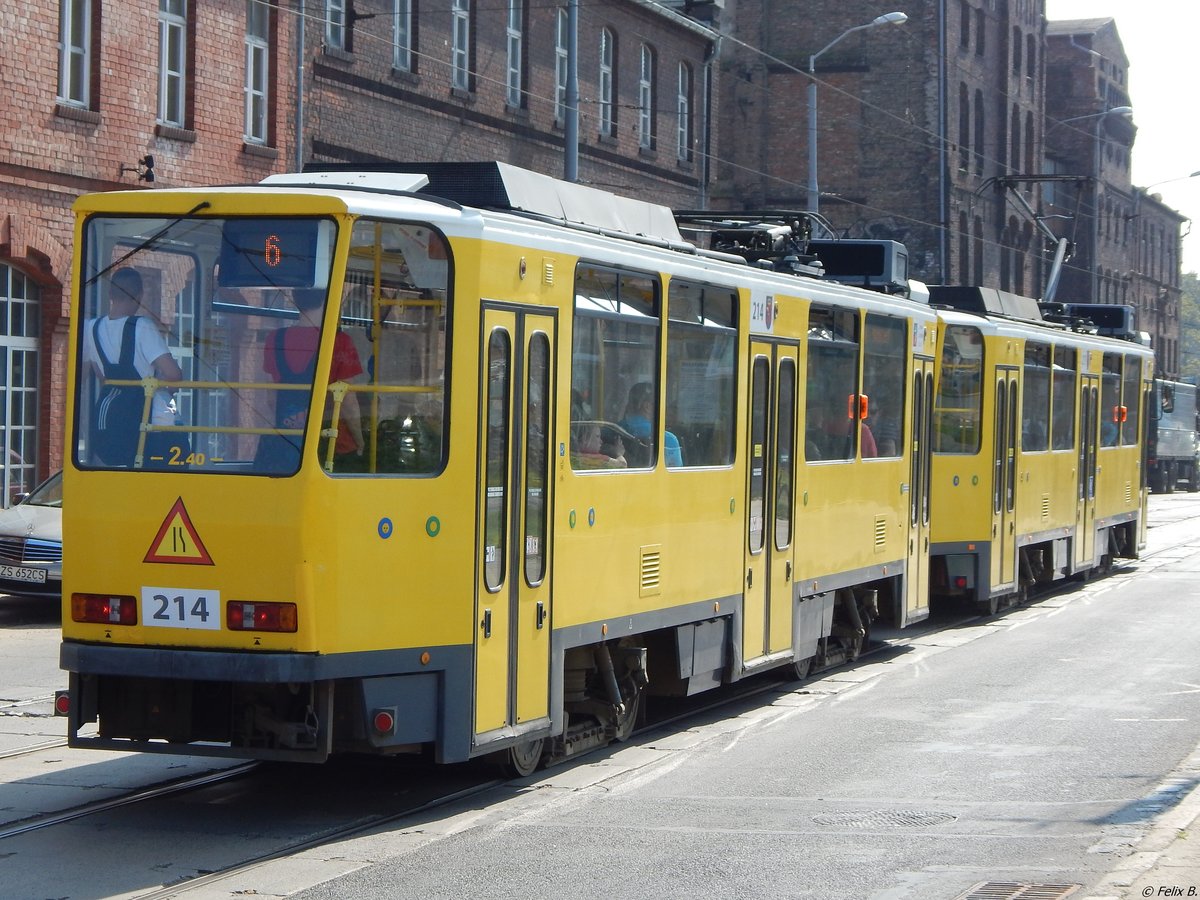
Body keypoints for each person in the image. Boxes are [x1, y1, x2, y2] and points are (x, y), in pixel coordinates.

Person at [82, 267, 185, 467]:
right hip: (151, 425)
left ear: (110, 294)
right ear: (139, 296)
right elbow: (174, 374)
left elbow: (100, 376)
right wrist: (164, 386)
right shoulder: (142, 326)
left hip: (108, 421)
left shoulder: (91, 328)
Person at [257, 288, 365, 472]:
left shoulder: (275, 339)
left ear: (295, 299)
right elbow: (348, 402)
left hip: (288, 443)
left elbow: (271, 398)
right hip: (332, 445)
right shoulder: (340, 341)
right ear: (327, 300)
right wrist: (360, 441)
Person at [619, 382, 683, 467]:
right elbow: (676, 472)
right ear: (647, 406)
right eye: (661, 403)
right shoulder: (667, 438)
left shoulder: (615, 429)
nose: (665, 409)